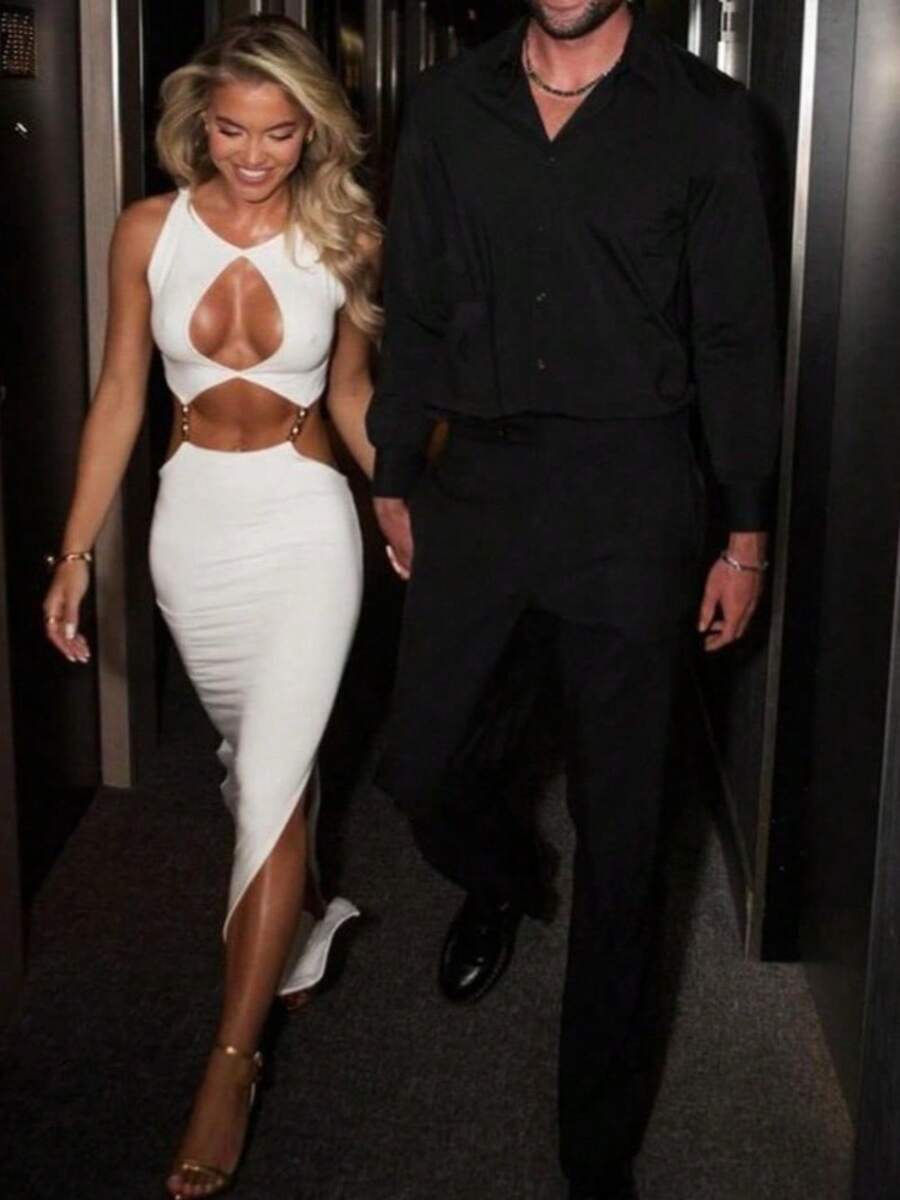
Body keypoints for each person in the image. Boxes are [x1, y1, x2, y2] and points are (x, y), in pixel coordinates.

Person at [368, 2, 778, 1198]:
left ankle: (594, 1154)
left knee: (627, 833)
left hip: (632, 493)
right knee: (419, 765)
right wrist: (393, 470)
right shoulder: (448, 107)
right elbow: (415, 300)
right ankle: (504, 875)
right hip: (480, 485)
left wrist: (744, 536)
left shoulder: (710, 121)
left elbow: (737, 337)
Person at [42, 16, 380, 1198]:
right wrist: (75, 551)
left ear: (312, 130)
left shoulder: (346, 237)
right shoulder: (151, 229)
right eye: (233, 130)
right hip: (193, 531)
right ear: (201, 123)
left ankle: (230, 1065)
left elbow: (352, 395)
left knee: (276, 782)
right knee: (250, 761)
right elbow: (119, 395)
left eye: (280, 133)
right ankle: (300, 916)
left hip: (307, 526)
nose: (254, 155)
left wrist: (400, 505)